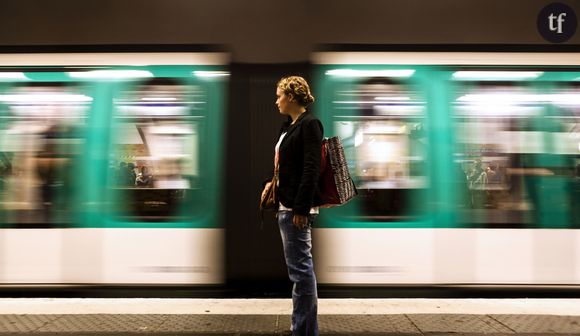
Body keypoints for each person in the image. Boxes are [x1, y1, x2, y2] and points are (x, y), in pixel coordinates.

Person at [268, 76, 323, 336]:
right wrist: (271, 183)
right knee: (298, 273)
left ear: (291, 96)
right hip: (285, 206)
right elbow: (286, 167)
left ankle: (303, 331)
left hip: (295, 210)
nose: (276, 100)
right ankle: (302, 328)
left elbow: (311, 169)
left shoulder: (310, 125)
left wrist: (301, 208)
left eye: (279, 95)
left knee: (301, 273)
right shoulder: (287, 126)